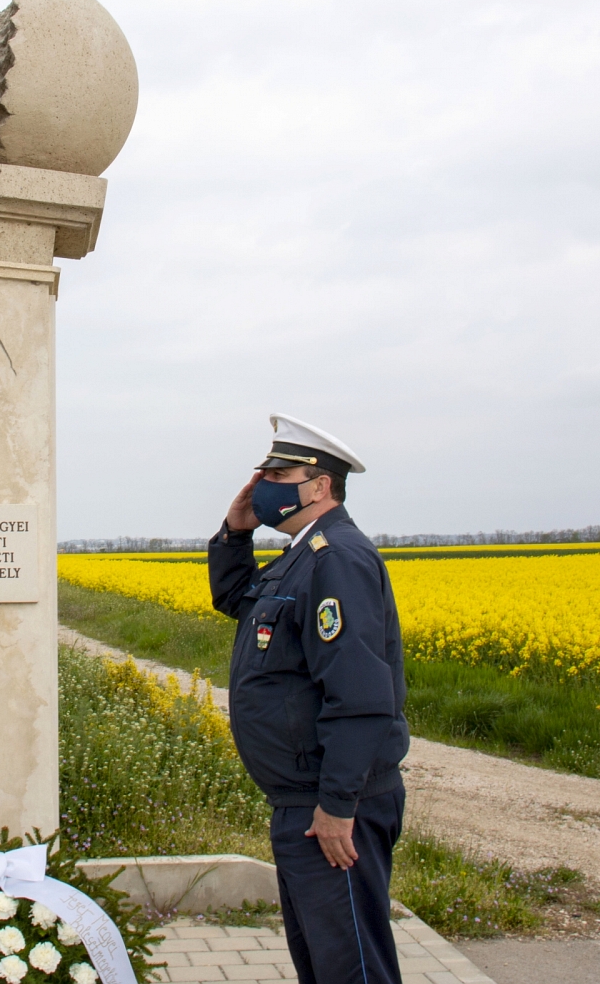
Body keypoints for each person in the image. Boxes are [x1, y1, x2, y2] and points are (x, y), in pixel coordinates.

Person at [207, 413, 410, 984]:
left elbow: (361, 696)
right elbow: (235, 598)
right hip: (303, 800)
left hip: (331, 805)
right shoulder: (302, 555)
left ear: (320, 485)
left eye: (280, 473)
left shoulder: (335, 557)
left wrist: (338, 806)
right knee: (323, 963)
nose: (265, 483)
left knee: (352, 967)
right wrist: (235, 530)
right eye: (264, 473)